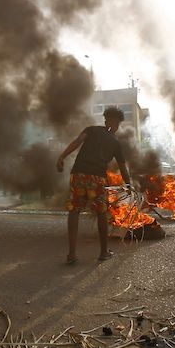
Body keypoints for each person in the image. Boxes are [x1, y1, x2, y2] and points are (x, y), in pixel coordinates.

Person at [56, 107, 131, 264]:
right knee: (101, 213)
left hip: (79, 175)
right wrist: (129, 184)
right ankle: (103, 252)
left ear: (105, 120)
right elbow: (123, 167)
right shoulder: (115, 143)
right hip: (97, 179)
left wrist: (62, 156)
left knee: (74, 211)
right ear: (117, 124)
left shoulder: (91, 130)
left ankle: (71, 254)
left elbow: (77, 142)